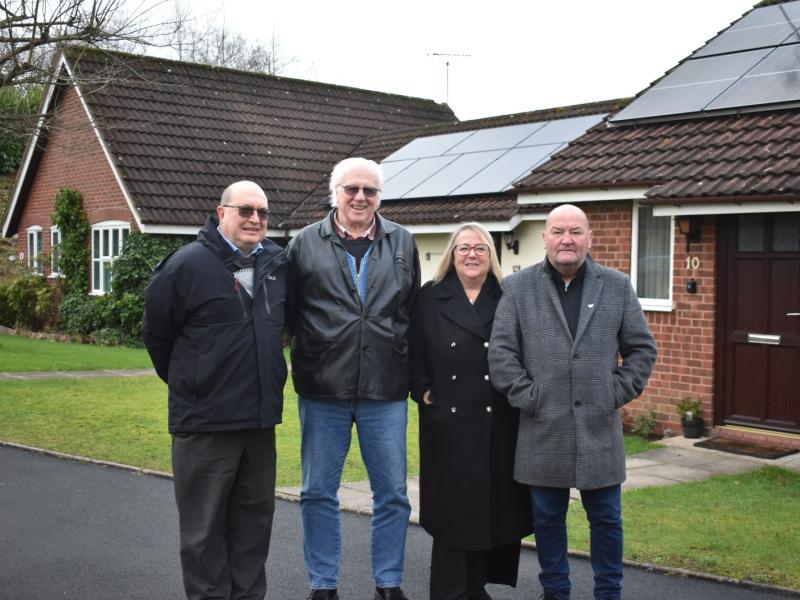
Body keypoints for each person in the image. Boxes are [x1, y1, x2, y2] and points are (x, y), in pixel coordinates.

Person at [488, 204, 657, 600]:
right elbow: (501, 354)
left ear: (589, 239)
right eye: (559, 231)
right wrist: (530, 397)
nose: (567, 239)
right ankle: (555, 592)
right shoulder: (518, 287)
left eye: (576, 232)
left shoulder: (616, 285)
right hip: (542, 427)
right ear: (544, 237)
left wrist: (613, 393)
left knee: (607, 519)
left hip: (600, 429)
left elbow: (642, 350)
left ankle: (609, 592)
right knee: (547, 519)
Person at [142, 181, 287, 600]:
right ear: (221, 212)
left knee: (253, 527)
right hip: (206, 423)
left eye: (262, 212)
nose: (255, 219)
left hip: (259, 422)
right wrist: (196, 383)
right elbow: (157, 335)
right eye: (245, 210)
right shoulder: (185, 266)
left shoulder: (277, 264)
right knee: (203, 534)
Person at [286, 157, 420, 600]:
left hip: (386, 386)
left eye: (370, 190)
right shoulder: (305, 243)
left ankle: (389, 582)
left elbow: (412, 314)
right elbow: (289, 315)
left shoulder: (403, 241)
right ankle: (323, 585)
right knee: (317, 491)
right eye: (352, 189)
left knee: (394, 495)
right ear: (335, 193)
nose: (361, 197)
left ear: (380, 196)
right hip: (323, 386)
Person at [409, 223, 533, 600]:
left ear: (491, 255)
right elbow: (412, 350)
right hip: (449, 419)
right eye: (464, 248)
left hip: (499, 418)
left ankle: (476, 586)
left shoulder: (509, 295)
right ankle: (448, 591)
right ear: (452, 253)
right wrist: (423, 390)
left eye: (480, 248)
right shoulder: (429, 296)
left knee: (491, 505)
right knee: (453, 507)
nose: (472, 255)